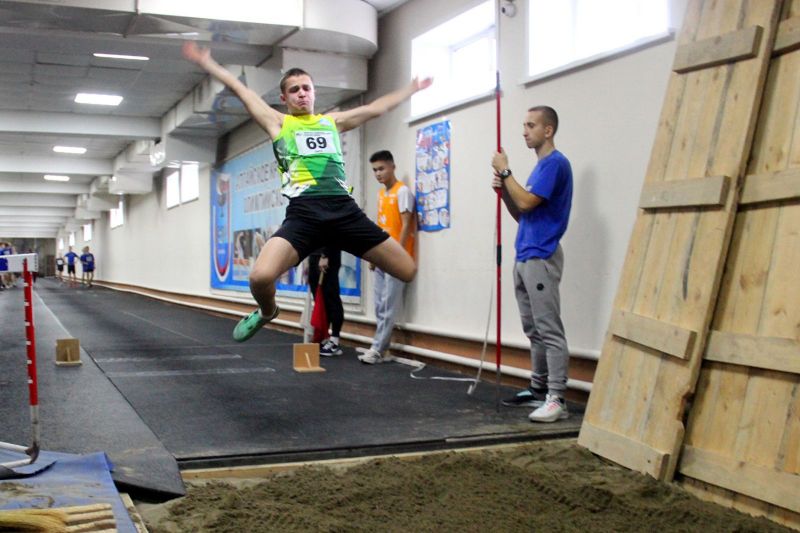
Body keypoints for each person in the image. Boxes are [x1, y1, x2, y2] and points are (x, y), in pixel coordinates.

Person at [182, 41, 432, 342]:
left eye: (307, 88)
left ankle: (345, 249)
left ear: (314, 92)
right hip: (304, 215)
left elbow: (376, 108)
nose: (302, 93)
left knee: (407, 269)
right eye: (295, 90)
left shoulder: (332, 122)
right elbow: (241, 90)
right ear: (284, 98)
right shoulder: (279, 123)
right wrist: (208, 63)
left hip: (344, 213)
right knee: (259, 278)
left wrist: (411, 89)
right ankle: (267, 311)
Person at [491, 105, 573, 423]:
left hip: (542, 254)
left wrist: (506, 173)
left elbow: (526, 202)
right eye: (524, 125)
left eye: (531, 125)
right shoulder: (539, 169)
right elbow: (523, 213)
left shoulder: (555, 164)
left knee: (549, 329)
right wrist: (504, 193)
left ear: (547, 130)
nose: (524, 131)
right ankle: (538, 389)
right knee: (533, 328)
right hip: (524, 253)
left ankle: (557, 398)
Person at [358, 151, 416, 364]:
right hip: (382, 257)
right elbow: (381, 227)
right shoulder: (381, 194)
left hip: (397, 260)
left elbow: (406, 225)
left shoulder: (403, 192)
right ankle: (382, 347)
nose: (378, 173)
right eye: (374, 170)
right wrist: (375, 256)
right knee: (379, 305)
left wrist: (397, 256)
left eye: (381, 168)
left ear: (393, 167)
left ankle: (378, 349)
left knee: (388, 306)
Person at [307, 247, 344, 356]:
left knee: (331, 298)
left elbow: (332, 236)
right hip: (314, 255)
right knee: (320, 301)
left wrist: (325, 255)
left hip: (328, 256)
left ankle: (334, 340)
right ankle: (324, 337)